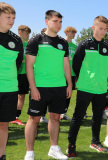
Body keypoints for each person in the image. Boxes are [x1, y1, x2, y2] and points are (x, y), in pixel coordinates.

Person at [24, 10, 71, 160]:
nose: (58, 24)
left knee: (55, 117)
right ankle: (29, 152)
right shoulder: (36, 40)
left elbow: (66, 65)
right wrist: (33, 87)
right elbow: (29, 66)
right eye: (55, 21)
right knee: (34, 119)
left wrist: (69, 84)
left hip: (59, 86)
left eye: (60, 22)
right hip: (40, 87)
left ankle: (54, 149)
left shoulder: (63, 42)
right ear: (46, 22)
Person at [67, 16, 108, 157]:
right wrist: (83, 78)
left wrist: (107, 79)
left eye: (105, 29)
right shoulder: (84, 44)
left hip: (101, 89)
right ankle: (71, 145)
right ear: (93, 28)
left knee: (98, 117)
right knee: (78, 117)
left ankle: (95, 142)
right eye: (100, 28)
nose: (103, 31)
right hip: (85, 87)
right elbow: (76, 64)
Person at [0, 3, 23, 160]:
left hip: (9, 89)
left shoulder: (16, 40)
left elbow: (18, 64)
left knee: (4, 124)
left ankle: (1, 154)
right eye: (8, 17)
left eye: (13, 18)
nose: (11, 21)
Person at [11, 25, 31, 126]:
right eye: (26, 33)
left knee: (21, 96)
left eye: (29, 33)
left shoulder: (28, 45)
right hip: (13, 74)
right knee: (9, 96)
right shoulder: (13, 43)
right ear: (20, 32)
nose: (28, 35)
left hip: (24, 74)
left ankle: (16, 117)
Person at [60, 26, 78, 121]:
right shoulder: (61, 43)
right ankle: (57, 113)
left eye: (74, 33)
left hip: (71, 74)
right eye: (72, 32)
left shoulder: (75, 46)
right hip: (61, 73)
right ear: (67, 32)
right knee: (60, 94)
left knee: (68, 94)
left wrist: (76, 74)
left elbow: (76, 61)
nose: (74, 34)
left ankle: (64, 113)